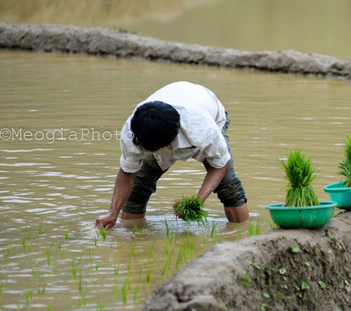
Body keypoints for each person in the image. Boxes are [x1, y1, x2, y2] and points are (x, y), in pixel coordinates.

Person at [95, 81, 249, 229]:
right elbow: (128, 173)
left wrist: (197, 201)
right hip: (162, 124)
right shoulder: (133, 131)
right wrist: (112, 212)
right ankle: (133, 239)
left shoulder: (202, 128)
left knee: (228, 186)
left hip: (208, 112)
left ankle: (243, 237)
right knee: (138, 187)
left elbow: (220, 164)